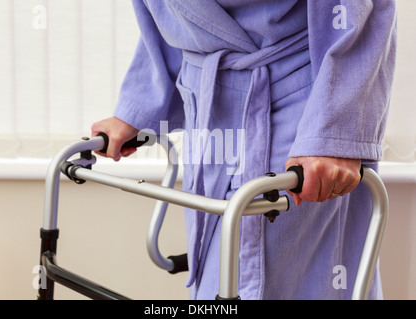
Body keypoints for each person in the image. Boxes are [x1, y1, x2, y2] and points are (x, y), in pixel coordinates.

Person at [92, 0, 397, 300]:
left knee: (272, 277)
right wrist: (139, 104)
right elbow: (177, 16)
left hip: (298, 112)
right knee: (222, 276)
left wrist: (333, 134)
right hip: (208, 115)